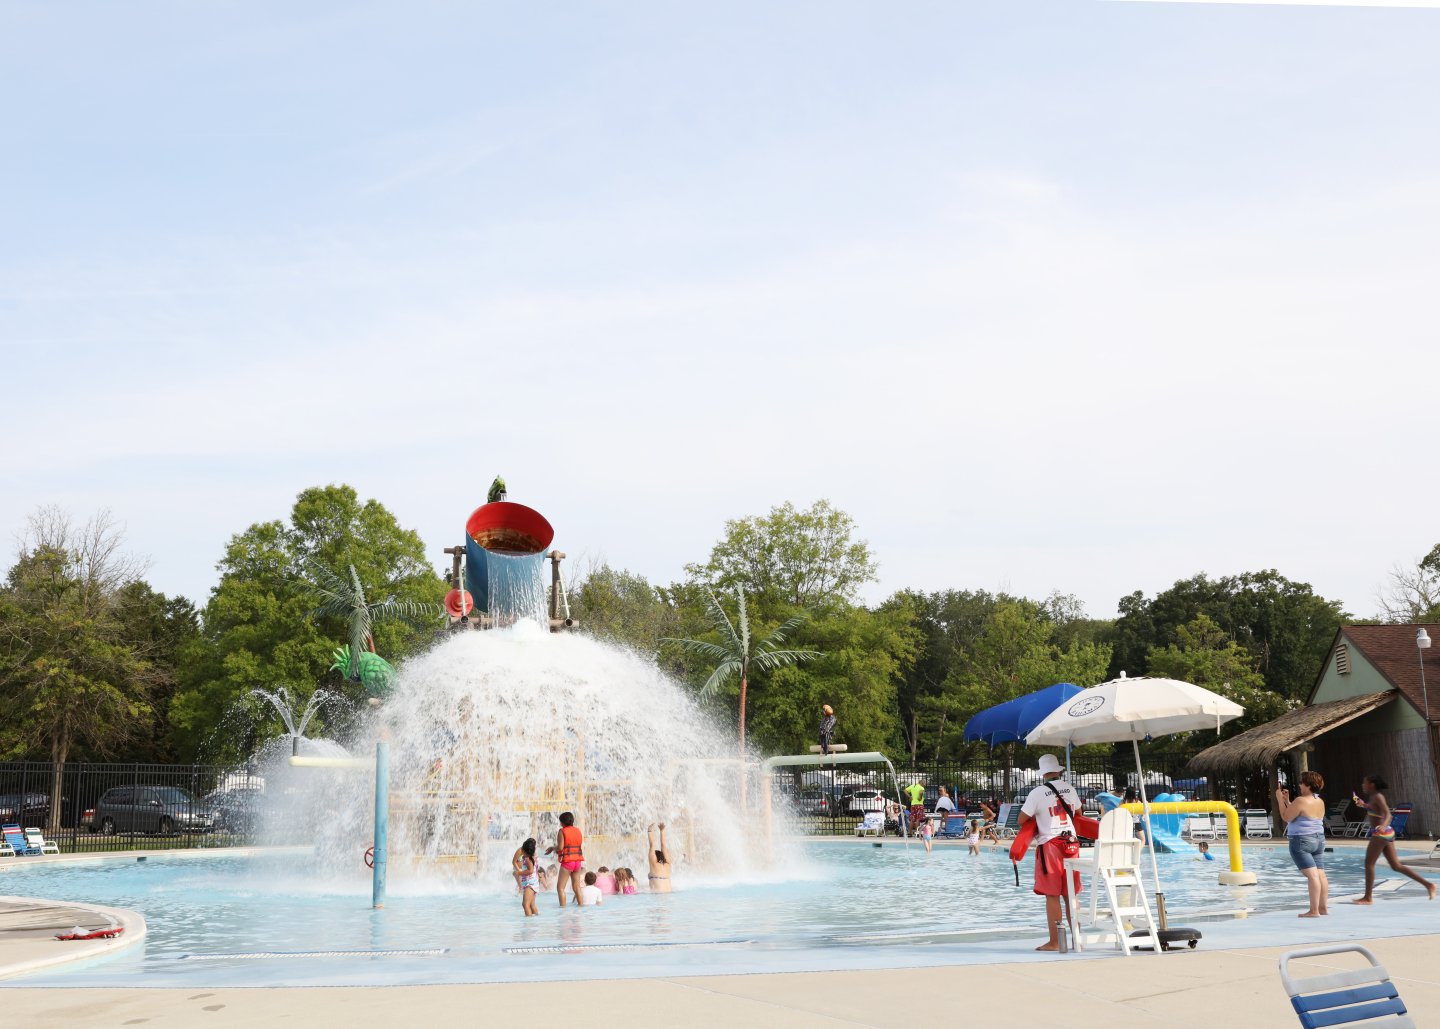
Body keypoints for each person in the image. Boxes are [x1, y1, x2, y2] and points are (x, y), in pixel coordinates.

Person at [1018, 753, 1083, 952]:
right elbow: (1079, 815)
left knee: (1052, 895)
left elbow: (1021, 819)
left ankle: (1055, 941)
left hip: (1051, 845)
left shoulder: (1037, 793)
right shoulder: (1070, 789)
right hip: (1071, 843)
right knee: (1070, 893)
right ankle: (1077, 939)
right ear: (1058, 770)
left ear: (1042, 773)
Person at [1354, 775, 1436, 903]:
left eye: (1365, 783)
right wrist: (1364, 805)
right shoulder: (1373, 797)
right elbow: (1376, 810)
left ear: (1372, 785)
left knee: (1369, 864)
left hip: (1381, 833)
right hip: (1386, 833)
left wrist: (1383, 826)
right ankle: (1428, 885)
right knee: (1396, 866)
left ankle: (1368, 897)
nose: (1362, 785)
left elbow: (1388, 814)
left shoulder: (1378, 796)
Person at [1276, 771, 1329, 917]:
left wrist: (1279, 799)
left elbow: (1287, 817)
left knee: (1312, 876)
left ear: (1308, 785)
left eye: (1301, 782)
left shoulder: (1301, 800)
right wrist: (1287, 801)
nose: (1299, 785)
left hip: (1301, 841)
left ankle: (1314, 911)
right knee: (1321, 875)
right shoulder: (1319, 801)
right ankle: (1323, 908)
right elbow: (1300, 814)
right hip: (1318, 840)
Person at [544, 810, 585, 907]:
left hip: (568, 861)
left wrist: (552, 848)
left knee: (560, 888)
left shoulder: (562, 831)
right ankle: (581, 907)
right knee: (577, 887)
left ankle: (563, 910)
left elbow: (560, 847)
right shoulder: (578, 830)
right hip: (577, 861)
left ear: (562, 822)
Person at [512, 838, 540, 917]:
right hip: (533, 883)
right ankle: (536, 919)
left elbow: (530, 871)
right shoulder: (532, 858)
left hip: (530, 884)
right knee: (531, 904)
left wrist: (519, 872)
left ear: (524, 850)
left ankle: (528, 923)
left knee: (525, 904)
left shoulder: (528, 859)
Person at [646, 822, 673, 893]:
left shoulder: (654, 864)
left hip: (658, 895)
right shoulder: (668, 864)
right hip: (669, 893)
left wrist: (649, 831)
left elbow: (652, 845)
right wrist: (662, 831)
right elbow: (663, 845)